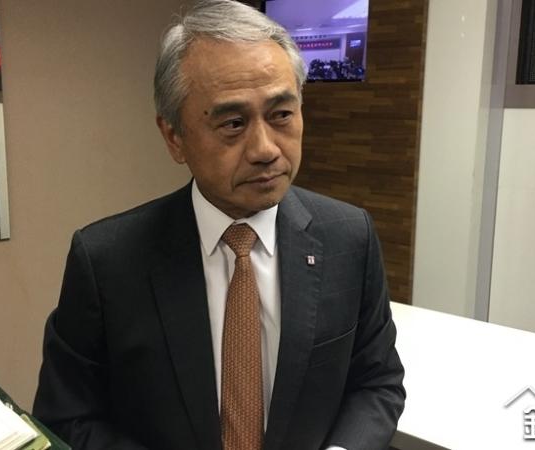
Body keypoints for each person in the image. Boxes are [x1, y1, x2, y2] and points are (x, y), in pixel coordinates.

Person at [32, 1, 405, 449]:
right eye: (233, 123)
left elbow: (376, 382)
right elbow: (67, 417)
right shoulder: (107, 261)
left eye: (281, 115)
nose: (265, 149)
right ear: (174, 136)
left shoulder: (349, 236)